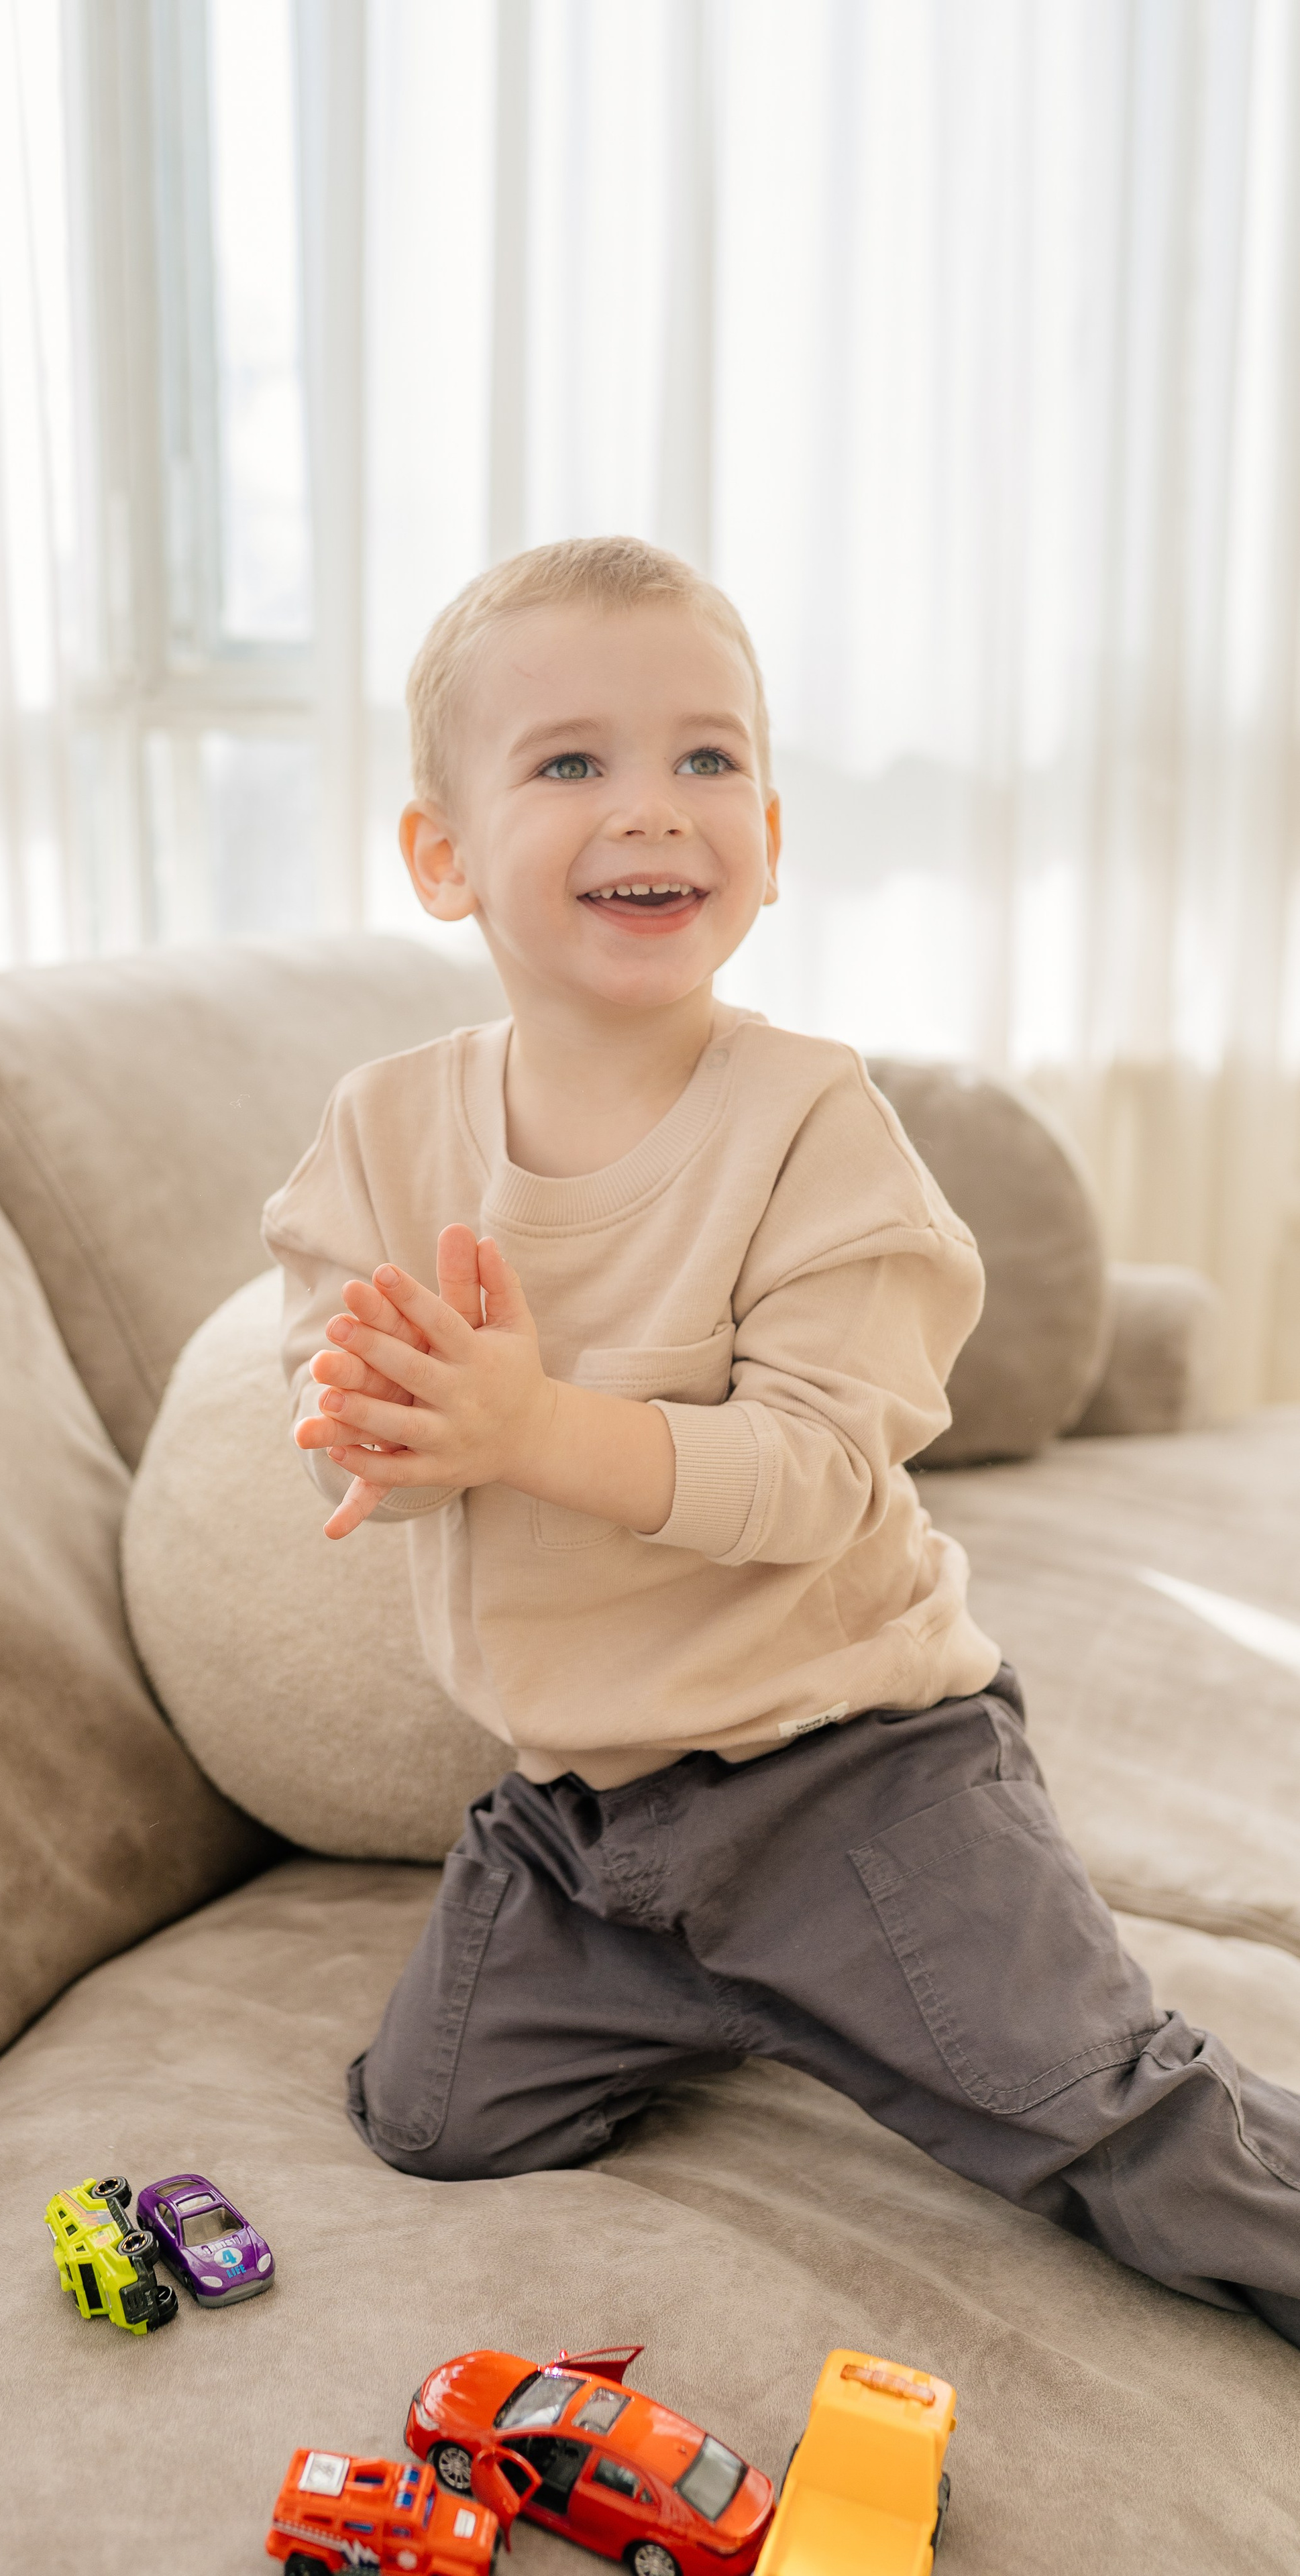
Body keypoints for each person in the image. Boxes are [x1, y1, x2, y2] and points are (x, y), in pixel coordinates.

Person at [260, 535, 1300, 2346]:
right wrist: (382, 1425)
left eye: (707, 757)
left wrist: (529, 1423)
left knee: (1109, 2126)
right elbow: (331, 1360)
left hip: (860, 1776)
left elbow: (813, 1478)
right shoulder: (383, 1127)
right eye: (572, 761)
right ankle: (756, 1997)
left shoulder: (815, 1122)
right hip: (585, 1827)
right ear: (442, 856)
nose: (652, 807)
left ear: (772, 837)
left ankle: (861, 1988)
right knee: (429, 2125)